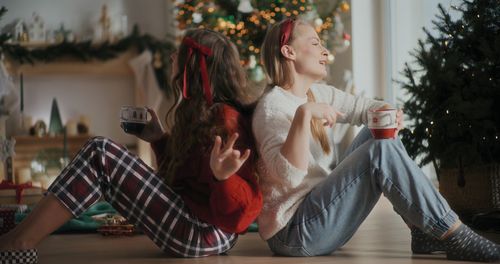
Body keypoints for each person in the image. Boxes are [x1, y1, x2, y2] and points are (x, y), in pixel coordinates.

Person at [0, 28, 262, 263]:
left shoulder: (226, 121)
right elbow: (187, 181)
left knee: (99, 151)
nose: (172, 57)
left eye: (178, 53)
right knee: (100, 153)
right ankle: (18, 236)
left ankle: (19, 243)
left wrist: (223, 179)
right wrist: (160, 141)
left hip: (205, 231)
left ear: (192, 66)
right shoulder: (200, 113)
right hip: (197, 223)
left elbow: (238, 217)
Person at [252, 18, 499, 262]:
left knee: (377, 132)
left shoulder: (317, 93)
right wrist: (303, 115)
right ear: (289, 51)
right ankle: (455, 235)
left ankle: (421, 231)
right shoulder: (272, 107)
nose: (325, 51)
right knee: (379, 150)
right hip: (295, 234)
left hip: (317, 216)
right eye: (315, 43)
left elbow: (366, 108)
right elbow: (289, 176)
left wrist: (388, 114)